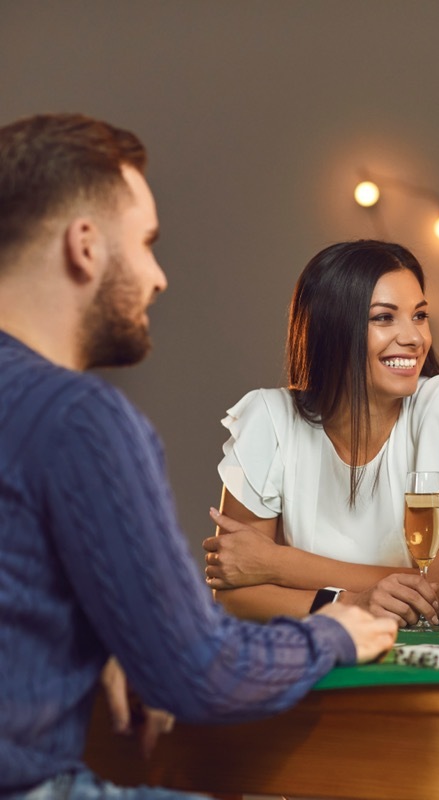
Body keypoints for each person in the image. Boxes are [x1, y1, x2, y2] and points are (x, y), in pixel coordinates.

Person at [0, 113, 397, 798]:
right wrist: (331, 634)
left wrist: (102, 642)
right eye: (147, 243)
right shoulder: (82, 421)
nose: (157, 277)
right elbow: (202, 673)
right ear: (85, 247)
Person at [203, 240, 439, 627]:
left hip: (425, 664)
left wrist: (276, 563)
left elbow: (434, 598)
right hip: (315, 660)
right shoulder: (269, 419)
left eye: (420, 316)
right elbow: (234, 593)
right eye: (384, 318)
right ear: (331, 328)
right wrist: (347, 604)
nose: (414, 338)